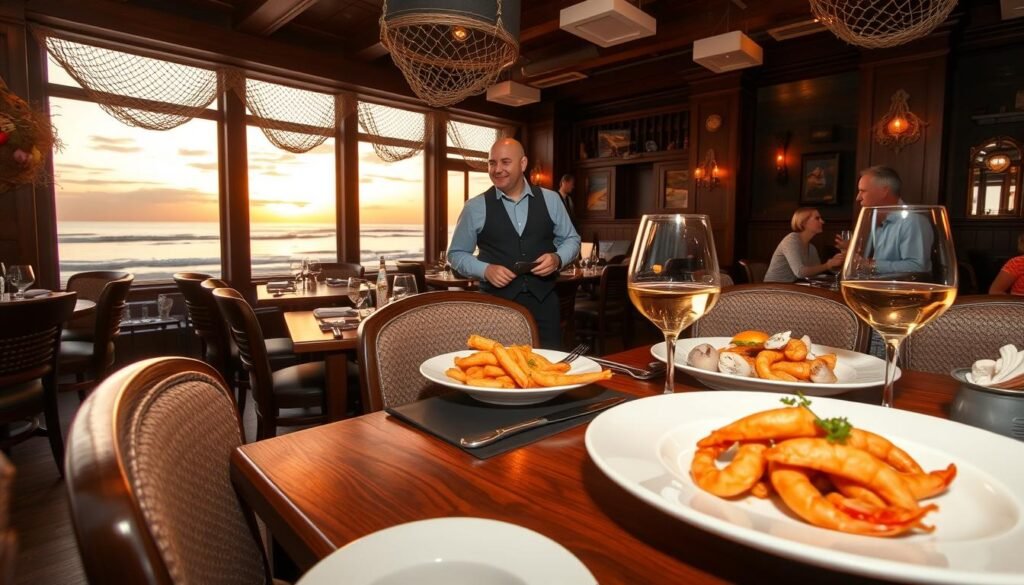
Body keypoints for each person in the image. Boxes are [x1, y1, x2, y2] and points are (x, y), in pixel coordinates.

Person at [448, 138, 581, 349]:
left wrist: (557, 258)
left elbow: (572, 239)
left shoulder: (551, 199)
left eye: (505, 162)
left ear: (523, 164)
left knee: (548, 371)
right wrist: (486, 270)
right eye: (492, 163)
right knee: (498, 373)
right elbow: (455, 254)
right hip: (495, 307)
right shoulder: (475, 207)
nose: (497, 169)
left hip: (544, 305)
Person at [838, 165, 932, 275]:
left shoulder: (912, 221)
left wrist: (869, 265)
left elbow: (918, 267)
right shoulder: (874, 219)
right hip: (873, 288)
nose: (858, 197)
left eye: (863, 191)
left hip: (898, 291)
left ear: (884, 191)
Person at [764, 208, 844, 283]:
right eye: (817, 218)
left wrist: (835, 264)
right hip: (772, 290)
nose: (822, 221)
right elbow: (800, 272)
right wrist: (827, 265)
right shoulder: (791, 240)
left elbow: (815, 273)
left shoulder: (812, 248)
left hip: (791, 289)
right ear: (803, 222)